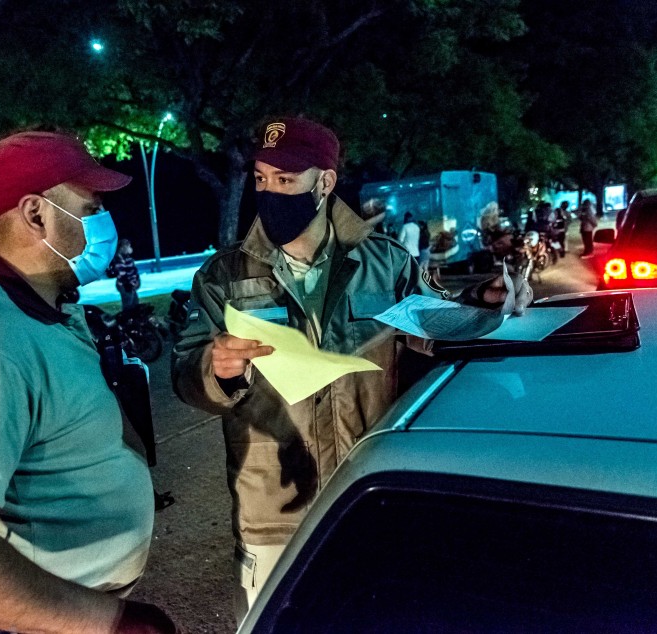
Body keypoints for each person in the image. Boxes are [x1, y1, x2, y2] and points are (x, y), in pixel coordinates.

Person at [170, 117, 531, 622]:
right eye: (261, 179)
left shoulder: (386, 262)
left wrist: (484, 301)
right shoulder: (222, 276)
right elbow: (186, 372)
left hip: (370, 494)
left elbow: (434, 318)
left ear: (325, 183)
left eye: (285, 179)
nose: (269, 193)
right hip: (275, 510)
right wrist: (218, 368)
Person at [0, 131, 176, 634]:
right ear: (37, 214)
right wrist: (116, 623)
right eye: (91, 207)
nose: (104, 222)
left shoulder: (40, 312)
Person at [108, 238, 142, 308]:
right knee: (128, 305)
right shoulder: (119, 258)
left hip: (131, 285)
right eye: (128, 246)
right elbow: (122, 274)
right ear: (123, 248)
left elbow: (134, 271)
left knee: (135, 304)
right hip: (125, 285)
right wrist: (130, 284)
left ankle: (133, 315)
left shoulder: (127, 257)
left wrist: (137, 281)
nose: (130, 248)